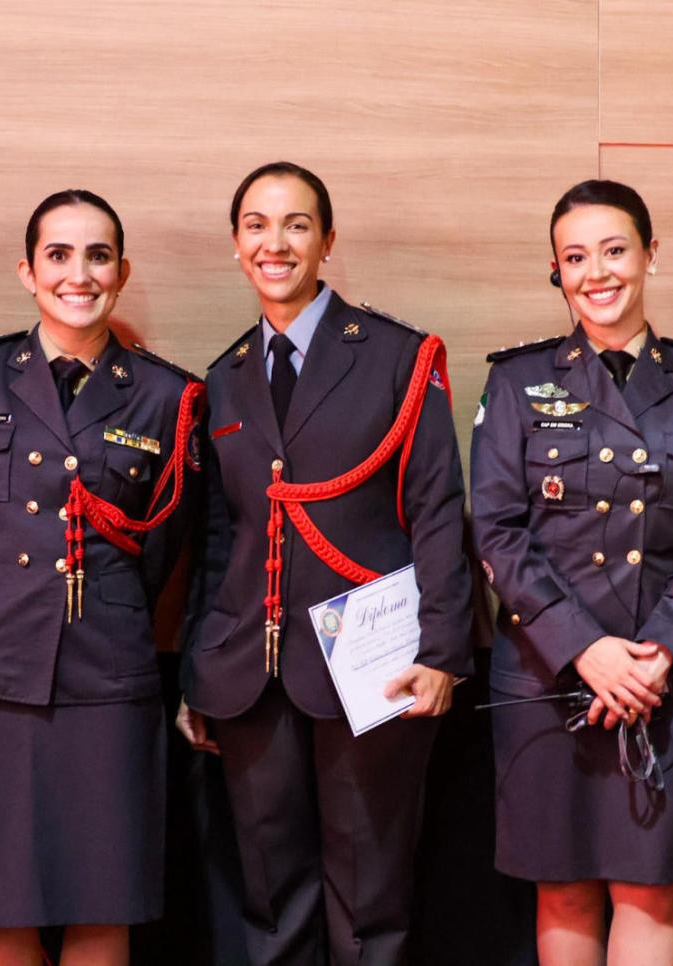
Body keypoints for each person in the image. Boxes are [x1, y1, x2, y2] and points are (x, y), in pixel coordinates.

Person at [175, 161, 472, 965]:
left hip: (371, 666)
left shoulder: (396, 355)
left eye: (296, 225)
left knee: (369, 900)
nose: (275, 244)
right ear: (236, 243)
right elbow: (219, 540)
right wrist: (199, 670)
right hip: (250, 674)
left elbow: (438, 509)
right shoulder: (226, 377)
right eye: (257, 226)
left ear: (327, 240)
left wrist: (443, 651)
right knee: (271, 903)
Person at [0, 189, 203, 966]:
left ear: (122, 272)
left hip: (104, 674)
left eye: (98, 256)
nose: (80, 274)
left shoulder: (166, 396)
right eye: (59, 255)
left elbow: (162, 547)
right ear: (27, 271)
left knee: (102, 904)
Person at [470, 179, 673, 965]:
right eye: (574, 257)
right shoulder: (517, 382)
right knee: (561, 888)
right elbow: (496, 529)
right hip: (546, 672)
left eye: (614, 250)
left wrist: (657, 654)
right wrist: (585, 650)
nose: (596, 272)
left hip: (671, 675)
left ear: (650, 254)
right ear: (556, 272)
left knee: (653, 888)